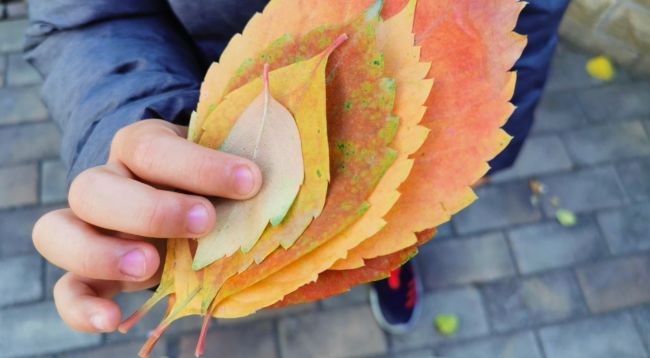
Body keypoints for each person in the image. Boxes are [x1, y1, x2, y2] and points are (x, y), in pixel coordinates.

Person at [27, 0, 569, 335]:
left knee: (397, 223)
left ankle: (391, 260)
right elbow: (86, 16)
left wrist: (492, 129)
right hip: (225, 110)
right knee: (286, 226)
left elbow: (530, 14)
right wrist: (135, 127)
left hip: (436, 115)